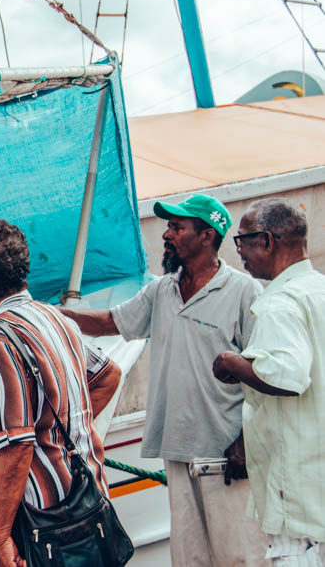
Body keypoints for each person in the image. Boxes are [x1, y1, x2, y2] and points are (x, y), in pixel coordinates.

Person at [58, 193, 268, 567]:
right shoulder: (162, 289)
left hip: (226, 455)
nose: (166, 235)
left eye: (176, 227)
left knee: (240, 557)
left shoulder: (244, 291)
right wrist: (53, 315)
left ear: (206, 236)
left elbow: (263, 372)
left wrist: (245, 443)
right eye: (168, 227)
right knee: (190, 559)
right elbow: (112, 322)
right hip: (178, 449)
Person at [0, 218, 121, 567]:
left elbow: (16, 445)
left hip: (38, 526)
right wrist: (57, 430)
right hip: (81, 503)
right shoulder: (54, 318)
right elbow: (107, 375)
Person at [212, 198, 325, 566]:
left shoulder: (280, 304)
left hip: (301, 499)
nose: (239, 252)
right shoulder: (318, 290)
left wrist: (235, 363)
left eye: (241, 240)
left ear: (268, 242)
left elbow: (289, 375)